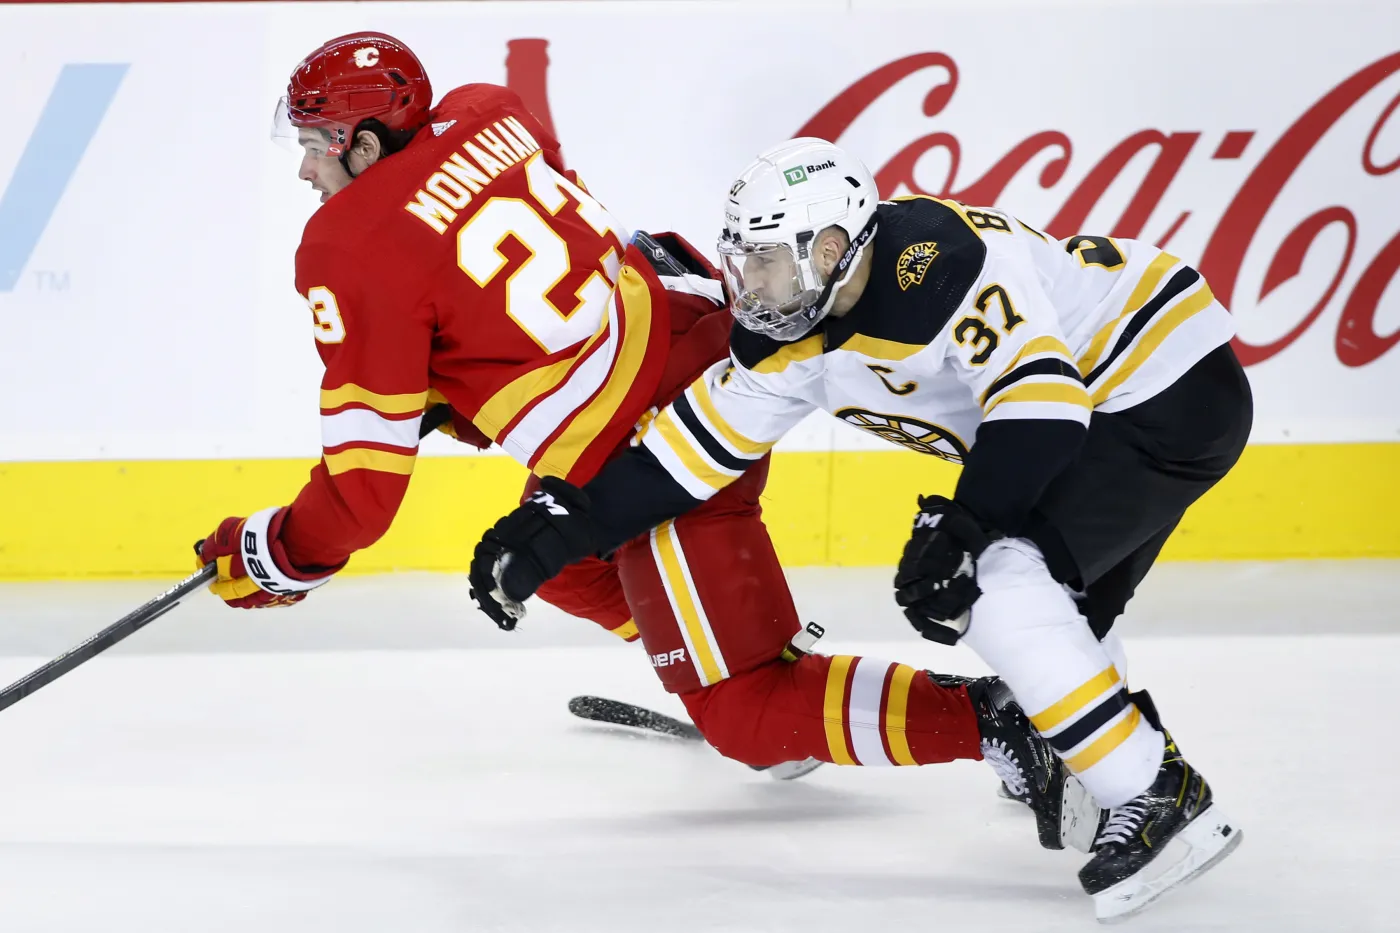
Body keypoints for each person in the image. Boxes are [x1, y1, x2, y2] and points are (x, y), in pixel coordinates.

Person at [191, 35, 1092, 847]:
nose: (305, 174)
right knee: (563, 562)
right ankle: (722, 631)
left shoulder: (345, 246)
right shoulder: (487, 110)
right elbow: (544, 250)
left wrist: (275, 554)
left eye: (314, 148)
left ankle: (993, 721)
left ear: (364, 144)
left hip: (655, 451)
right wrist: (462, 383)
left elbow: (362, 494)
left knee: (745, 715)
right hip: (697, 336)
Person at [468, 136, 1251, 922]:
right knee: (1055, 610)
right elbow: (686, 456)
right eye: (746, 259)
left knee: (998, 584)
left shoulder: (937, 267)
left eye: (770, 259)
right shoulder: (792, 331)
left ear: (834, 247)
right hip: (1116, 405)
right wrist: (555, 528)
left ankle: (1159, 795)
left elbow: (1043, 409)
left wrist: (966, 528)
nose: (753, 282)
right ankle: (1088, 755)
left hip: (1162, 390)